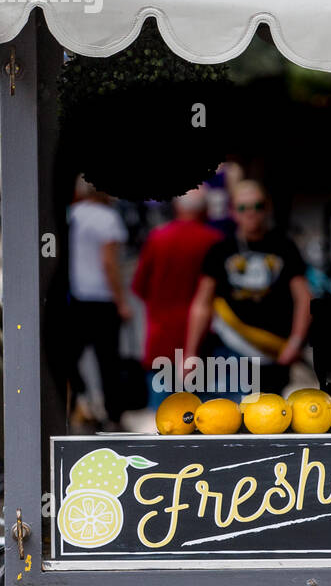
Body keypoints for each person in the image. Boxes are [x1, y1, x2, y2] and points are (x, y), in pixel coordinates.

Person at [185, 179, 312, 397]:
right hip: (231, 347)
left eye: (258, 206)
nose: (251, 213)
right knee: (231, 412)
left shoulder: (285, 246)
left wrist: (296, 341)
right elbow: (202, 303)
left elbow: (304, 298)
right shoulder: (221, 249)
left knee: (268, 418)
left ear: (268, 207)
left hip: (273, 350)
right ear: (233, 212)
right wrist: (190, 353)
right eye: (243, 208)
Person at [131, 188, 221, 410]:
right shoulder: (215, 241)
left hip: (162, 337)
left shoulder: (158, 238)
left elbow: (139, 287)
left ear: (177, 207)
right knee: (207, 416)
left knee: (162, 417)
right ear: (206, 210)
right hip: (204, 340)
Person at [65, 175, 133, 427]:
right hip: (102, 297)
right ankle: (113, 414)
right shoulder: (108, 218)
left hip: (76, 297)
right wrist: (122, 300)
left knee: (70, 357)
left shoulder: (72, 214)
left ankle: (77, 401)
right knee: (108, 362)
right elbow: (109, 263)